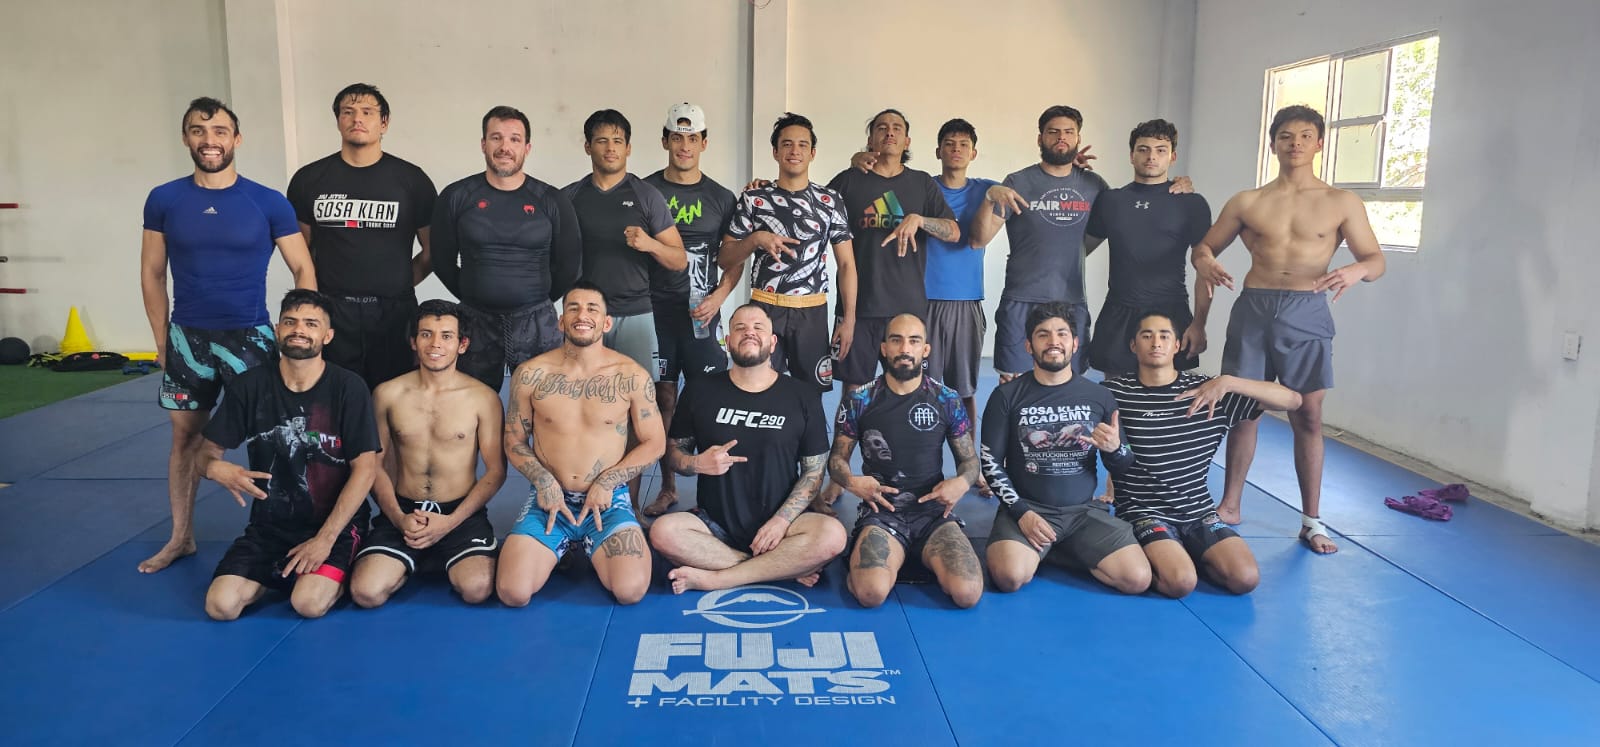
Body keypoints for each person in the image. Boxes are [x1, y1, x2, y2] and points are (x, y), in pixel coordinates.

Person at [1191, 105, 1387, 554]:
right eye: (1285, 136)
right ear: (1273, 144)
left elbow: (1376, 260)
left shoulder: (1341, 202)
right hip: (1254, 307)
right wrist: (1204, 261)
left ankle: (1311, 520)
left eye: (1304, 136)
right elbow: (1203, 247)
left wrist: (1356, 270)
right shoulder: (1247, 201)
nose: (1295, 143)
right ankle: (1230, 506)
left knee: (1309, 415)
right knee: (1242, 409)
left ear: (1319, 144)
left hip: (1307, 308)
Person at [138, 97, 317, 574]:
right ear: (186, 138)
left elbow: (303, 268)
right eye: (198, 130)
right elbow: (152, 273)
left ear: (236, 139)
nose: (209, 140)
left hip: (250, 337)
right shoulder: (164, 199)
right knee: (185, 438)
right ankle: (181, 537)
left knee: (273, 436)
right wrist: (162, 341)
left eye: (219, 131)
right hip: (187, 338)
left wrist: (300, 333)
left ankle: (285, 531)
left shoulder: (268, 201)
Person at [971, 106, 1193, 380]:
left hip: (1071, 301)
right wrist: (989, 197)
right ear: (1040, 138)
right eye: (1053, 132)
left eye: (1068, 132)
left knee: (1070, 386)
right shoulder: (1017, 182)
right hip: (1022, 299)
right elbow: (979, 240)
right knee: (1014, 383)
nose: (1061, 138)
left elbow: (1133, 213)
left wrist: (1176, 187)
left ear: (1078, 138)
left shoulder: (1094, 186)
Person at [200, 290, 378, 621]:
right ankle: (283, 574)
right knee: (221, 606)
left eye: (311, 324)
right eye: (290, 322)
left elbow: (366, 469)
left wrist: (325, 540)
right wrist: (215, 469)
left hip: (334, 526)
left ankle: (331, 571)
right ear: (277, 329)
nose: (299, 330)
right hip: (270, 527)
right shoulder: (249, 386)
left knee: (308, 604)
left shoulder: (348, 387)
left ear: (327, 336)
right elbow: (204, 454)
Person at [1102, 311, 1303, 597]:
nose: (1156, 342)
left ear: (1176, 345)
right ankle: (1170, 559)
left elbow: (1292, 400)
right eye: (1147, 336)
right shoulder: (1113, 393)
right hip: (1143, 512)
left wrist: (1229, 382)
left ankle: (1188, 553)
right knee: (1180, 583)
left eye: (1164, 336)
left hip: (1199, 513)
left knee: (1245, 579)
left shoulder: (1210, 391)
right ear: (1134, 345)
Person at [651, 304, 847, 593]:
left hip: (782, 527)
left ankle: (718, 578)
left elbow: (814, 472)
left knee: (833, 535)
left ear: (773, 342)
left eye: (758, 327)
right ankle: (776, 567)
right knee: (662, 532)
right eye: (740, 328)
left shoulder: (802, 395)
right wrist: (697, 463)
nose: (749, 333)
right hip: (715, 527)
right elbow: (673, 453)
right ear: (728, 341)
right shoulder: (699, 389)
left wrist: (781, 521)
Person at [497, 282, 660, 606]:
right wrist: (543, 482)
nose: (582, 315)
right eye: (573, 308)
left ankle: (587, 544)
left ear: (606, 323)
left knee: (629, 591)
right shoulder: (531, 374)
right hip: (549, 499)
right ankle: (564, 546)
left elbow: (655, 443)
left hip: (607, 500)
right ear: (561, 321)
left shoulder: (632, 376)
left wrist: (607, 481)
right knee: (513, 592)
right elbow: (514, 438)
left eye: (592, 309)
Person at [980, 302, 1149, 594]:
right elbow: (991, 462)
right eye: (1043, 334)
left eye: (1061, 334)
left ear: (1075, 343)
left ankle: (1059, 549)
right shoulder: (1006, 395)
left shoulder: (1099, 396)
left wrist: (1115, 449)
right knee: (1009, 577)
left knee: (1137, 579)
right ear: (1029, 346)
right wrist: (1021, 513)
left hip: (1082, 513)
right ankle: (1050, 547)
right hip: (1028, 508)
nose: (1053, 341)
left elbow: (1124, 462)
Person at [348, 300, 506, 607]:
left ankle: (431, 554)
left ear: (462, 344)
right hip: (405, 510)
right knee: (366, 593)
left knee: (476, 589)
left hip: (459, 512)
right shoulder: (387, 394)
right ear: (413, 341)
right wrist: (398, 518)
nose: (435, 344)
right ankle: (418, 556)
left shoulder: (483, 398)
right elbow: (373, 465)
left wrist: (449, 522)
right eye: (426, 334)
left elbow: (496, 471)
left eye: (446, 336)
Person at [287, 83, 437, 389]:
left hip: (393, 312)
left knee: (394, 398)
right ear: (338, 121)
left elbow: (433, 251)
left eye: (367, 112)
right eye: (348, 112)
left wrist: (398, 284)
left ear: (384, 123)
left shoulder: (412, 180)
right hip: (333, 309)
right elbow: (300, 252)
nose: (357, 118)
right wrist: (314, 306)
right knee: (334, 397)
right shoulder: (309, 179)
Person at [829, 314, 982, 609]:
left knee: (968, 593)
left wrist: (962, 483)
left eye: (914, 341)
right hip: (882, 512)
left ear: (926, 349)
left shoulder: (947, 399)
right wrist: (851, 482)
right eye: (896, 340)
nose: (905, 349)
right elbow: (836, 460)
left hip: (933, 513)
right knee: (871, 594)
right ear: (884, 348)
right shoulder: (859, 400)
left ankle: (917, 555)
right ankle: (877, 564)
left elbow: (970, 462)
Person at [433, 105, 582, 393]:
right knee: (469, 404)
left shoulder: (551, 200)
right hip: (474, 320)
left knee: (546, 407)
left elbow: (569, 265)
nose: (505, 147)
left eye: (514, 139)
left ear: (527, 148)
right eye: (496, 138)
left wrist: (535, 299)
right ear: (483, 144)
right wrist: (475, 293)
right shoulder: (456, 196)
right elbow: (441, 261)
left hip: (536, 321)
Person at [641, 103, 739, 517]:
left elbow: (734, 258)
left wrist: (720, 296)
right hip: (655, 313)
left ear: (704, 143)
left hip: (703, 315)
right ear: (665, 141)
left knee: (707, 398)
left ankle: (711, 496)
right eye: (677, 138)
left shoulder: (721, 197)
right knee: (661, 398)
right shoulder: (644, 191)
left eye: (692, 138)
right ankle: (667, 488)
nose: (684, 146)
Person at [719, 113, 857, 392]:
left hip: (812, 311)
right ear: (775, 152)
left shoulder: (830, 201)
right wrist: (755, 239)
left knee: (811, 396)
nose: (795, 151)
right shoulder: (754, 199)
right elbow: (725, 258)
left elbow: (846, 265)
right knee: (759, 388)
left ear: (813, 153)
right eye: (787, 144)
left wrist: (849, 319)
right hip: (764, 307)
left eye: (803, 145)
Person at [825, 109, 958, 389]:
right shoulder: (848, 181)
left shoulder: (922, 183)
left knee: (908, 387)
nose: (890, 132)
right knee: (854, 391)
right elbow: (812, 211)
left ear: (907, 141)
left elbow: (953, 231)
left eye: (897, 128)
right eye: (882, 127)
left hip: (907, 308)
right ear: (870, 139)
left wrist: (920, 220)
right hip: (857, 309)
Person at [564, 109, 687, 383]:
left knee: (639, 396)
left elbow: (679, 260)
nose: (610, 148)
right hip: (585, 314)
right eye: (602, 140)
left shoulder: (647, 196)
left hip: (635, 314)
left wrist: (651, 244)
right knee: (581, 395)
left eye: (617, 141)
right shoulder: (569, 197)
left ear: (628, 148)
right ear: (588, 147)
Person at [1084, 119, 1213, 378]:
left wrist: (1199, 324)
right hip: (1119, 310)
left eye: (1160, 150)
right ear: (1131, 156)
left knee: (1168, 395)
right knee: (1116, 393)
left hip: (1171, 310)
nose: (1151, 157)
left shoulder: (1191, 203)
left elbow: (1205, 268)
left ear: (1172, 157)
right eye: (1143, 149)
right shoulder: (1111, 201)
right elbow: (1077, 251)